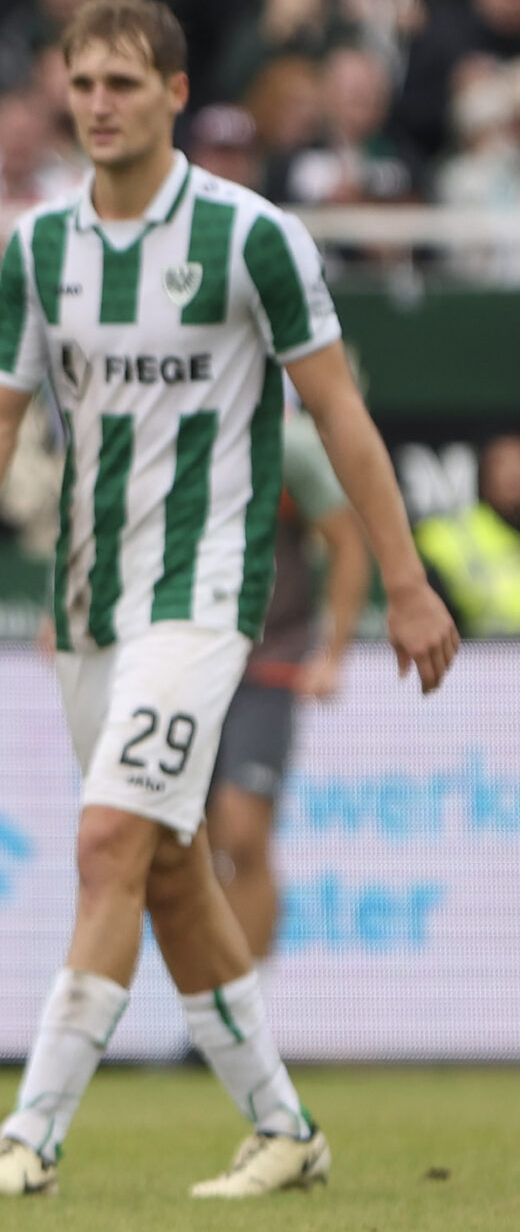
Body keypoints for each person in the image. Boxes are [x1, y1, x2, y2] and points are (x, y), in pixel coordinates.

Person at [0, 0, 459, 1200]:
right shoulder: (37, 248)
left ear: (173, 91)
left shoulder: (253, 236)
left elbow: (339, 415)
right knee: (167, 868)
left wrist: (406, 582)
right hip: (86, 599)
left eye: (122, 82)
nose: (98, 104)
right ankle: (285, 1126)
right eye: (82, 82)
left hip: (205, 595)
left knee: (108, 838)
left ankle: (30, 1134)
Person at [206, 409, 369, 968]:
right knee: (180, 851)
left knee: (244, 837)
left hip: (267, 662)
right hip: (181, 662)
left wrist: (333, 651)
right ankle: (207, 1009)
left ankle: (243, 1013)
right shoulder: (156, 422)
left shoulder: (285, 444)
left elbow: (348, 543)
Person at [416, 432, 520, 634]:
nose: (515, 476)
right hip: (475, 655)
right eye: (505, 468)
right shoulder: (451, 534)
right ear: (484, 477)